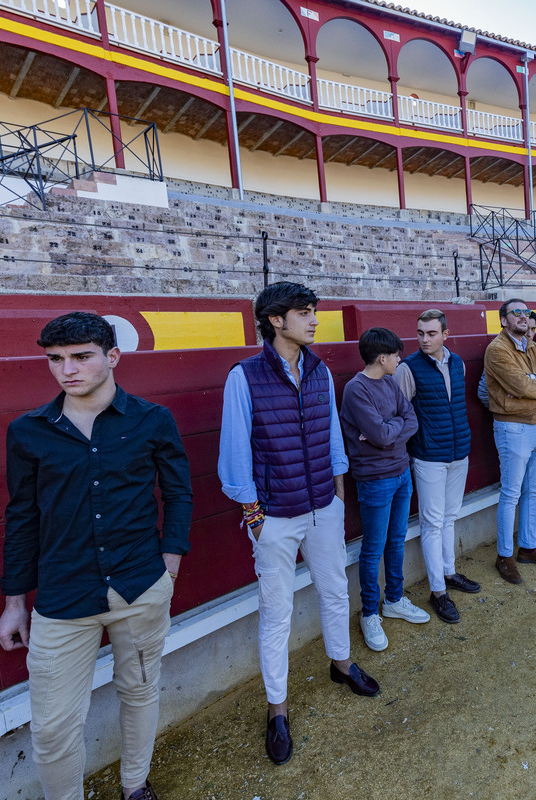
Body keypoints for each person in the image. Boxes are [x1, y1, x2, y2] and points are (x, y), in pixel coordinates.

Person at [0, 312, 192, 800]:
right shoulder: (28, 431)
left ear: (112, 357)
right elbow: (22, 517)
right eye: (55, 359)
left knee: (140, 691)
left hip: (141, 584)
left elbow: (178, 493)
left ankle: (134, 786)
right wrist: (15, 602)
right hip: (63, 594)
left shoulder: (152, 419)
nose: (68, 370)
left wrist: (170, 563)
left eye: (81, 357)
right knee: (53, 727)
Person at [218, 282, 379, 766]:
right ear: (275, 320)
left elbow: (332, 434)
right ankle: (278, 709)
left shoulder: (320, 370)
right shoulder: (243, 377)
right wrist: (254, 516)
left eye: (314, 312)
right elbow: (234, 453)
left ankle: (342, 663)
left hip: (321, 507)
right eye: (304, 313)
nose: (313, 320)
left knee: (334, 588)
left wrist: (338, 494)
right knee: (277, 611)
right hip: (273, 516)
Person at [341, 327, 428, 651]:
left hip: (401, 472)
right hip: (375, 479)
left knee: (395, 541)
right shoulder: (356, 389)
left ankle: (394, 599)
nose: (399, 359)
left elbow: (410, 419)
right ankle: (369, 613)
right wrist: (386, 432)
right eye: (395, 355)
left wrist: (386, 432)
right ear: (382, 357)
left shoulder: (390, 382)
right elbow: (379, 434)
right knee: (373, 547)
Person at [394, 310, 481, 625]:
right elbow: (398, 411)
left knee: (449, 516)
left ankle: (448, 571)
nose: (424, 339)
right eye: (420, 333)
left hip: (459, 451)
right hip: (428, 455)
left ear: (445, 333)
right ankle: (438, 591)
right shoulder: (408, 368)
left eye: (431, 333)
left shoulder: (457, 363)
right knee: (431, 523)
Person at [483, 298, 536, 583]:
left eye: (526, 312)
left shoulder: (530, 345)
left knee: (532, 490)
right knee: (511, 493)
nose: (522, 316)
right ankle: (504, 555)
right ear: (503, 320)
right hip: (512, 428)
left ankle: (528, 547)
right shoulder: (497, 350)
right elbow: (521, 386)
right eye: (515, 312)